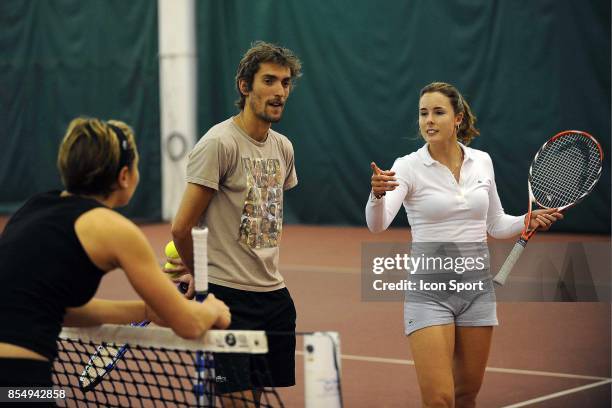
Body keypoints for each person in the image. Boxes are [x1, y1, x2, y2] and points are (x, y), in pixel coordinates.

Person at [365, 82, 563, 407]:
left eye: (438, 112)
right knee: (439, 400)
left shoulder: (482, 161)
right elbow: (377, 224)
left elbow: (495, 224)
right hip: (429, 295)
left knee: (466, 395)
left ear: (457, 118)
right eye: (423, 113)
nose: (429, 120)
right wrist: (377, 195)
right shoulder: (406, 166)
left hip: (477, 293)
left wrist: (524, 221)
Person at [0, 118, 231, 388]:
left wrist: (145, 310)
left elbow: (61, 311)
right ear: (124, 176)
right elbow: (189, 324)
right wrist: (214, 310)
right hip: (20, 384)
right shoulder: (116, 230)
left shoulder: (33, 208)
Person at [169, 41, 302, 403]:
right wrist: (201, 275)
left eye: (286, 83)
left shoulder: (283, 148)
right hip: (228, 299)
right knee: (237, 402)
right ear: (245, 86)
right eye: (269, 81)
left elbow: (267, 219)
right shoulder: (218, 144)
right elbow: (182, 227)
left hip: (274, 298)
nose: (279, 92)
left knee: (258, 399)